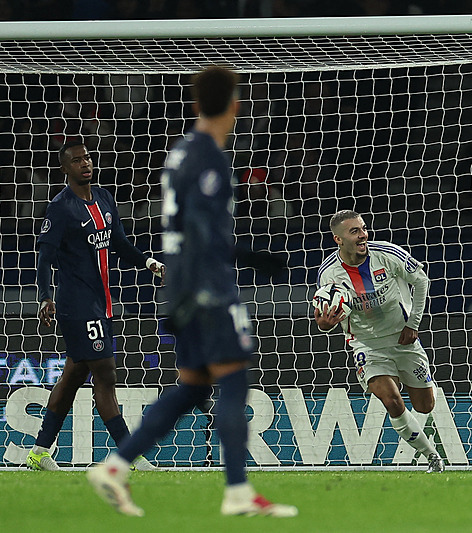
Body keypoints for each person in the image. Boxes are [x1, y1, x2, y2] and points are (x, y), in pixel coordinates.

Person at [86, 66, 298, 517]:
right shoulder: (209, 158)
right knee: (233, 377)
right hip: (207, 286)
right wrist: (252, 257)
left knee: (193, 385)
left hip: (180, 283)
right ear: (236, 106)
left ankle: (116, 465)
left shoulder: (181, 152)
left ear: (196, 102)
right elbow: (204, 226)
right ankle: (238, 492)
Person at [27, 140, 164, 472]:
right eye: (76, 161)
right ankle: (129, 455)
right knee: (105, 373)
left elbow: (118, 242)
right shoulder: (61, 208)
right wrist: (44, 296)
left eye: (87, 158)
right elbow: (44, 257)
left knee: (74, 375)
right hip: (76, 304)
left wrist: (147, 262)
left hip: (102, 303)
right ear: (65, 169)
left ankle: (39, 451)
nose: (85, 164)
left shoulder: (104, 198)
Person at [315, 210, 444, 473]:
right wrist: (325, 325)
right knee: (391, 400)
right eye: (355, 231)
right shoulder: (329, 274)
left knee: (424, 405)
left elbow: (421, 281)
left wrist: (413, 324)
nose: (363, 235)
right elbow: (323, 317)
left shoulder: (387, 254)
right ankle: (432, 457)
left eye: (363, 228)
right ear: (338, 239)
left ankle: (423, 425)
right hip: (366, 345)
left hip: (402, 339)